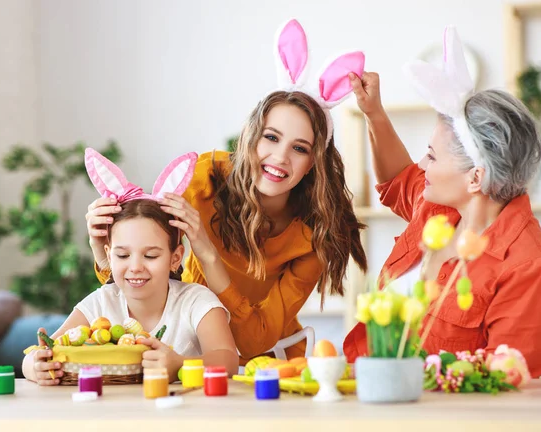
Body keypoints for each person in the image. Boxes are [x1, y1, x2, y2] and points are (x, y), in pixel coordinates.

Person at [86, 19, 368, 361]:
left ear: (313, 163)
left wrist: (208, 255)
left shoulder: (314, 236)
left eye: (300, 148)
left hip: (267, 366)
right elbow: (142, 267)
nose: (279, 158)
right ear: (251, 136)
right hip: (186, 351)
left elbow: (252, 343)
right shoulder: (205, 179)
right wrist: (102, 248)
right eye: (271, 137)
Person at [343, 26, 541, 377]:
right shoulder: (438, 211)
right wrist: (374, 113)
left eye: (431, 156)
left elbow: (503, 383)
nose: (422, 165)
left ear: (475, 177)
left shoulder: (532, 268)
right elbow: (397, 179)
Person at [23, 150, 238, 386]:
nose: (135, 267)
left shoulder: (195, 301)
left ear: (175, 258)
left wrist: (179, 364)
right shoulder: (102, 302)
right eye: (123, 255)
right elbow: (44, 350)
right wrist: (35, 365)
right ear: (108, 256)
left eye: (150, 255)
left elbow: (227, 359)